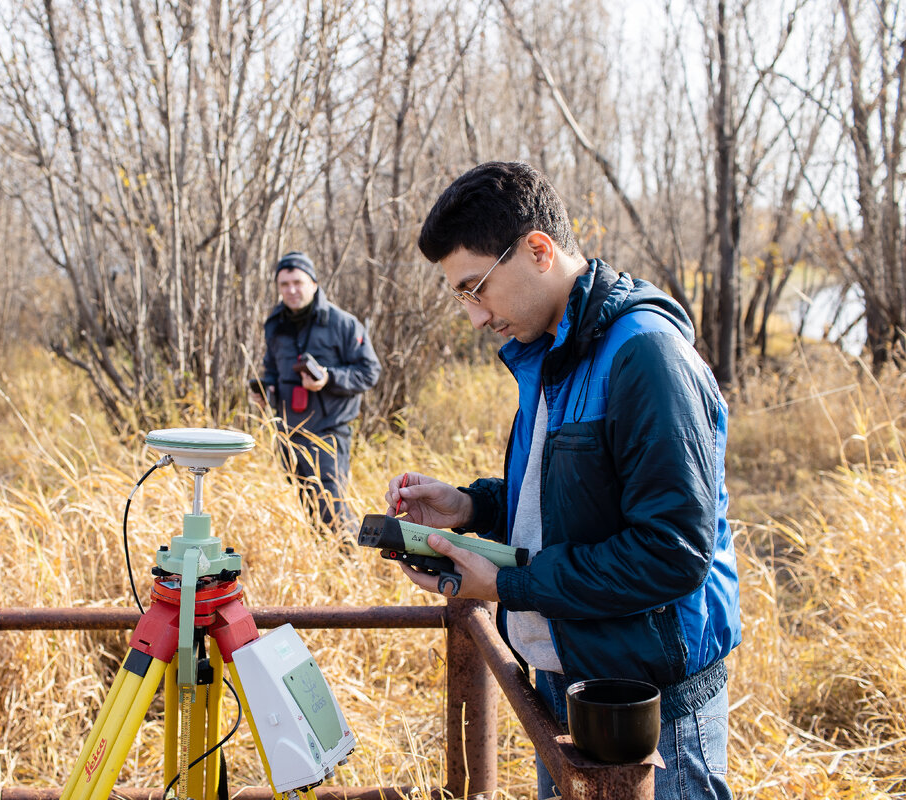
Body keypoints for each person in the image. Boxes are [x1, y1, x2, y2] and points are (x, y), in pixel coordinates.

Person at [385, 162, 741, 800]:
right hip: (573, 689)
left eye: (476, 288)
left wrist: (509, 584)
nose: (473, 316)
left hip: (651, 713)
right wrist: (469, 506)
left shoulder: (644, 353)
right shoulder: (550, 352)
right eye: (460, 297)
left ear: (538, 250)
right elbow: (563, 508)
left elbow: (672, 552)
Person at [251, 251, 381, 538]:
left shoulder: (343, 324)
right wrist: (266, 391)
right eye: (284, 285)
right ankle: (324, 563)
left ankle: (349, 565)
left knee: (331, 505)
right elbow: (272, 368)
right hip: (289, 430)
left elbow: (370, 372)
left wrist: (329, 378)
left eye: (297, 282)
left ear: (313, 282)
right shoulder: (275, 323)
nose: (291, 290)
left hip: (328, 431)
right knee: (306, 502)